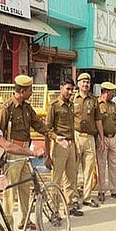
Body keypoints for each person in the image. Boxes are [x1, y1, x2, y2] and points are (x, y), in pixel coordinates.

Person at [0, 75, 49, 229]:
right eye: (30, 90)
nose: (32, 92)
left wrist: (52, 135)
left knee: (25, 186)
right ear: (22, 91)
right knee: (9, 192)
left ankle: (24, 220)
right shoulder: (7, 109)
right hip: (12, 154)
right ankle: (8, 227)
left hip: (25, 152)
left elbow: (38, 125)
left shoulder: (27, 108)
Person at [44, 78, 83, 217]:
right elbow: (47, 130)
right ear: (61, 88)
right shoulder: (54, 106)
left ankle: (70, 204)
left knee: (71, 177)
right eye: (68, 89)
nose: (70, 92)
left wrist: (75, 147)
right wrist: (47, 154)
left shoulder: (71, 105)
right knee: (56, 179)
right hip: (60, 144)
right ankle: (53, 210)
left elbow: (72, 127)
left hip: (71, 143)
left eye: (72, 89)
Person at [73, 72, 105, 208]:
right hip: (76, 137)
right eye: (83, 82)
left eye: (88, 82)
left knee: (89, 169)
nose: (85, 84)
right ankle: (74, 198)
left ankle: (87, 197)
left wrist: (102, 139)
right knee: (73, 169)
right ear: (78, 83)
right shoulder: (72, 99)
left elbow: (98, 120)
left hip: (90, 138)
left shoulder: (94, 100)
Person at [97, 81, 116, 202]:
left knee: (113, 165)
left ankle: (114, 190)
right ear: (106, 92)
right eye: (112, 92)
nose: (113, 94)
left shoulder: (113, 105)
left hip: (113, 138)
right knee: (101, 165)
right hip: (102, 139)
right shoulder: (97, 104)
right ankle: (101, 190)